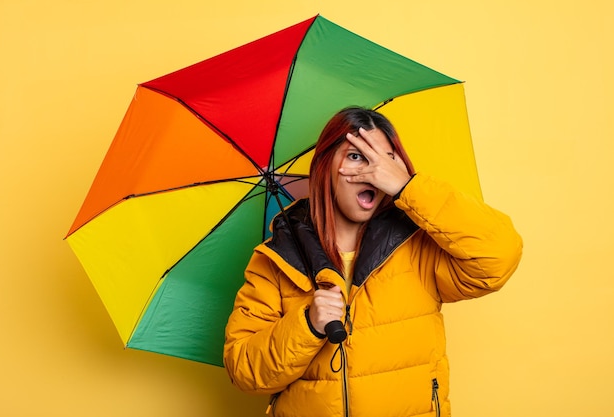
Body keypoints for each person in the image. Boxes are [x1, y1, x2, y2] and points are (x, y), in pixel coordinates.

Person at [224, 107, 523, 417]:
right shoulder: (276, 259)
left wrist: (409, 188)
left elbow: (499, 256)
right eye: (356, 156)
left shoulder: (419, 245)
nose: (373, 171)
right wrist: (307, 325)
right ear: (326, 166)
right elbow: (244, 371)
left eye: (386, 159)